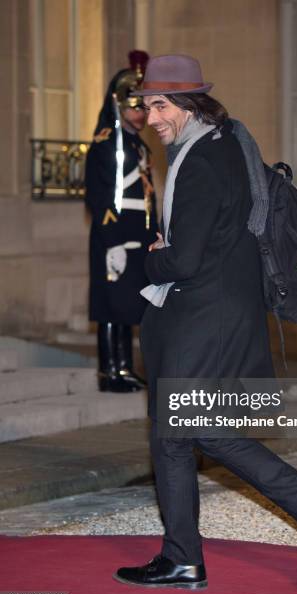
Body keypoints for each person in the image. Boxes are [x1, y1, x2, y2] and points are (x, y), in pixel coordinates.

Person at [114, 54, 297, 589]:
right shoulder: (225, 144)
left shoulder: (201, 161)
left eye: (160, 104)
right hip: (213, 314)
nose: (152, 117)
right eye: (146, 104)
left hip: (203, 318)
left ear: (189, 102)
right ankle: (190, 554)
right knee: (182, 434)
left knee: (184, 433)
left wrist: (150, 256)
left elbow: (184, 260)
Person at [85, 50, 157, 393]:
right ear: (119, 105)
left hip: (137, 234)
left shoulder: (138, 146)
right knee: (111, 305)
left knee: (130, 303)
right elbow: (98, 196)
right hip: (113, 234)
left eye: (144, 107)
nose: (141, 113)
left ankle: (126, 368)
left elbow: (147, 196)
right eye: (135, 106)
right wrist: (112, 238)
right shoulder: (104, 144)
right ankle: (110, 371)